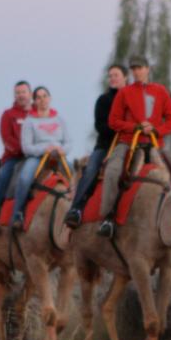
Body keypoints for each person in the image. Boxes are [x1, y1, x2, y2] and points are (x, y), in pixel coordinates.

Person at [98, 55, 171, 238]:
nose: (137, 72)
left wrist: (156, 129)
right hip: (128, 143)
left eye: (140, 68)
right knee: (112, 171)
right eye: (133, 69)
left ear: (148, 69)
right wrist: (136, 127)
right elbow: (113, 121)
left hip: (156, 144)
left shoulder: (161, 91)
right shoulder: (124, 93)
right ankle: (107, 218)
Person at [65, 64, 127, 228]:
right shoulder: (103, 100)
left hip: (130, 144)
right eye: (111, 76)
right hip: (106, 145)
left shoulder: (131, 98)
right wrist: (119, 128)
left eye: (116, 75)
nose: (113, 78)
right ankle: (76, 208)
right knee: (92, 168)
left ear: (125, 78)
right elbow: (100, 126)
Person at [11, 86, 71, 230]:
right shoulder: (29, 121)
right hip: (37, 157)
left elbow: (69, 141)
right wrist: (44, 149)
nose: (42, 100)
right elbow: (26, 147)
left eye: (45, 96)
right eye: (39, 97)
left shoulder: (59, 119)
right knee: (25, 177)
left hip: (58, 156)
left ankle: (75, 210)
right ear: (34, 101)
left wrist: (62, 150)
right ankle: (18, 213)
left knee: (75, 175)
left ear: (50, 98)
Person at [0, 81, 33, 237]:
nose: (21, 95)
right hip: (14, 157)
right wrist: (24, 149)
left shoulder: (37, 114)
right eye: (18, 93)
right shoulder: (8, 114)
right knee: (2, 178)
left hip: (36, 157)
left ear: (30, 94)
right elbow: (7, 139)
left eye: (23, 92)